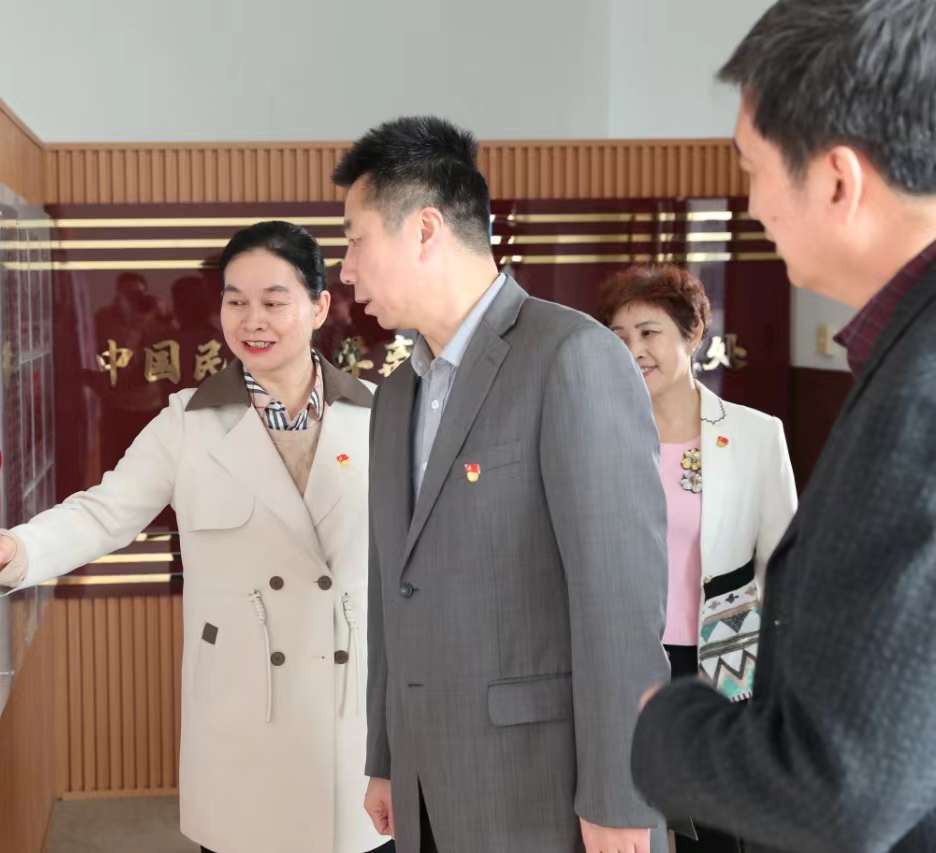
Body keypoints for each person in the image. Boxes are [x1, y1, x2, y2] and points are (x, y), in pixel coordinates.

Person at [0, 221, 392, 853]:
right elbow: (103, 513)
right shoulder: (187, 422)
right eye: (235, 301)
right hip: (242, 714)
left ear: (319, 307)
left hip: (352, 715)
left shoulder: (380, 414)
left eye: (274, 301)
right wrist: (16, 551)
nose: (252, 321)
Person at [631, 2, 936, 852]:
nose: (751, 202)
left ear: (837, 180)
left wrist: (664, 726)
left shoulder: (920, 396)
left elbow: (842, 789)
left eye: (753, 166)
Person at [336, 116, 669, 853]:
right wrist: (386, 755)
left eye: (356, 240)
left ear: (425, 229)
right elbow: (395, 587)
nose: (347, 270)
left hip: (540, 790)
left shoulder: (572, 357)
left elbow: (618, 602)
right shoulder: (397, 395)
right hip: (424, 784)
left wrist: (621, 798)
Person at [598, 265, 798, 852]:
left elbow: (783, 567)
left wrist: (780, 682)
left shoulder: (756, 435)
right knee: (623, 824)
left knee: (716, 831)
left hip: (722, 663)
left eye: (649, 332)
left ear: (691, 336)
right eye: (618, 336)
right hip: (624, 662)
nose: (633, 350)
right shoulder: (598, 434)